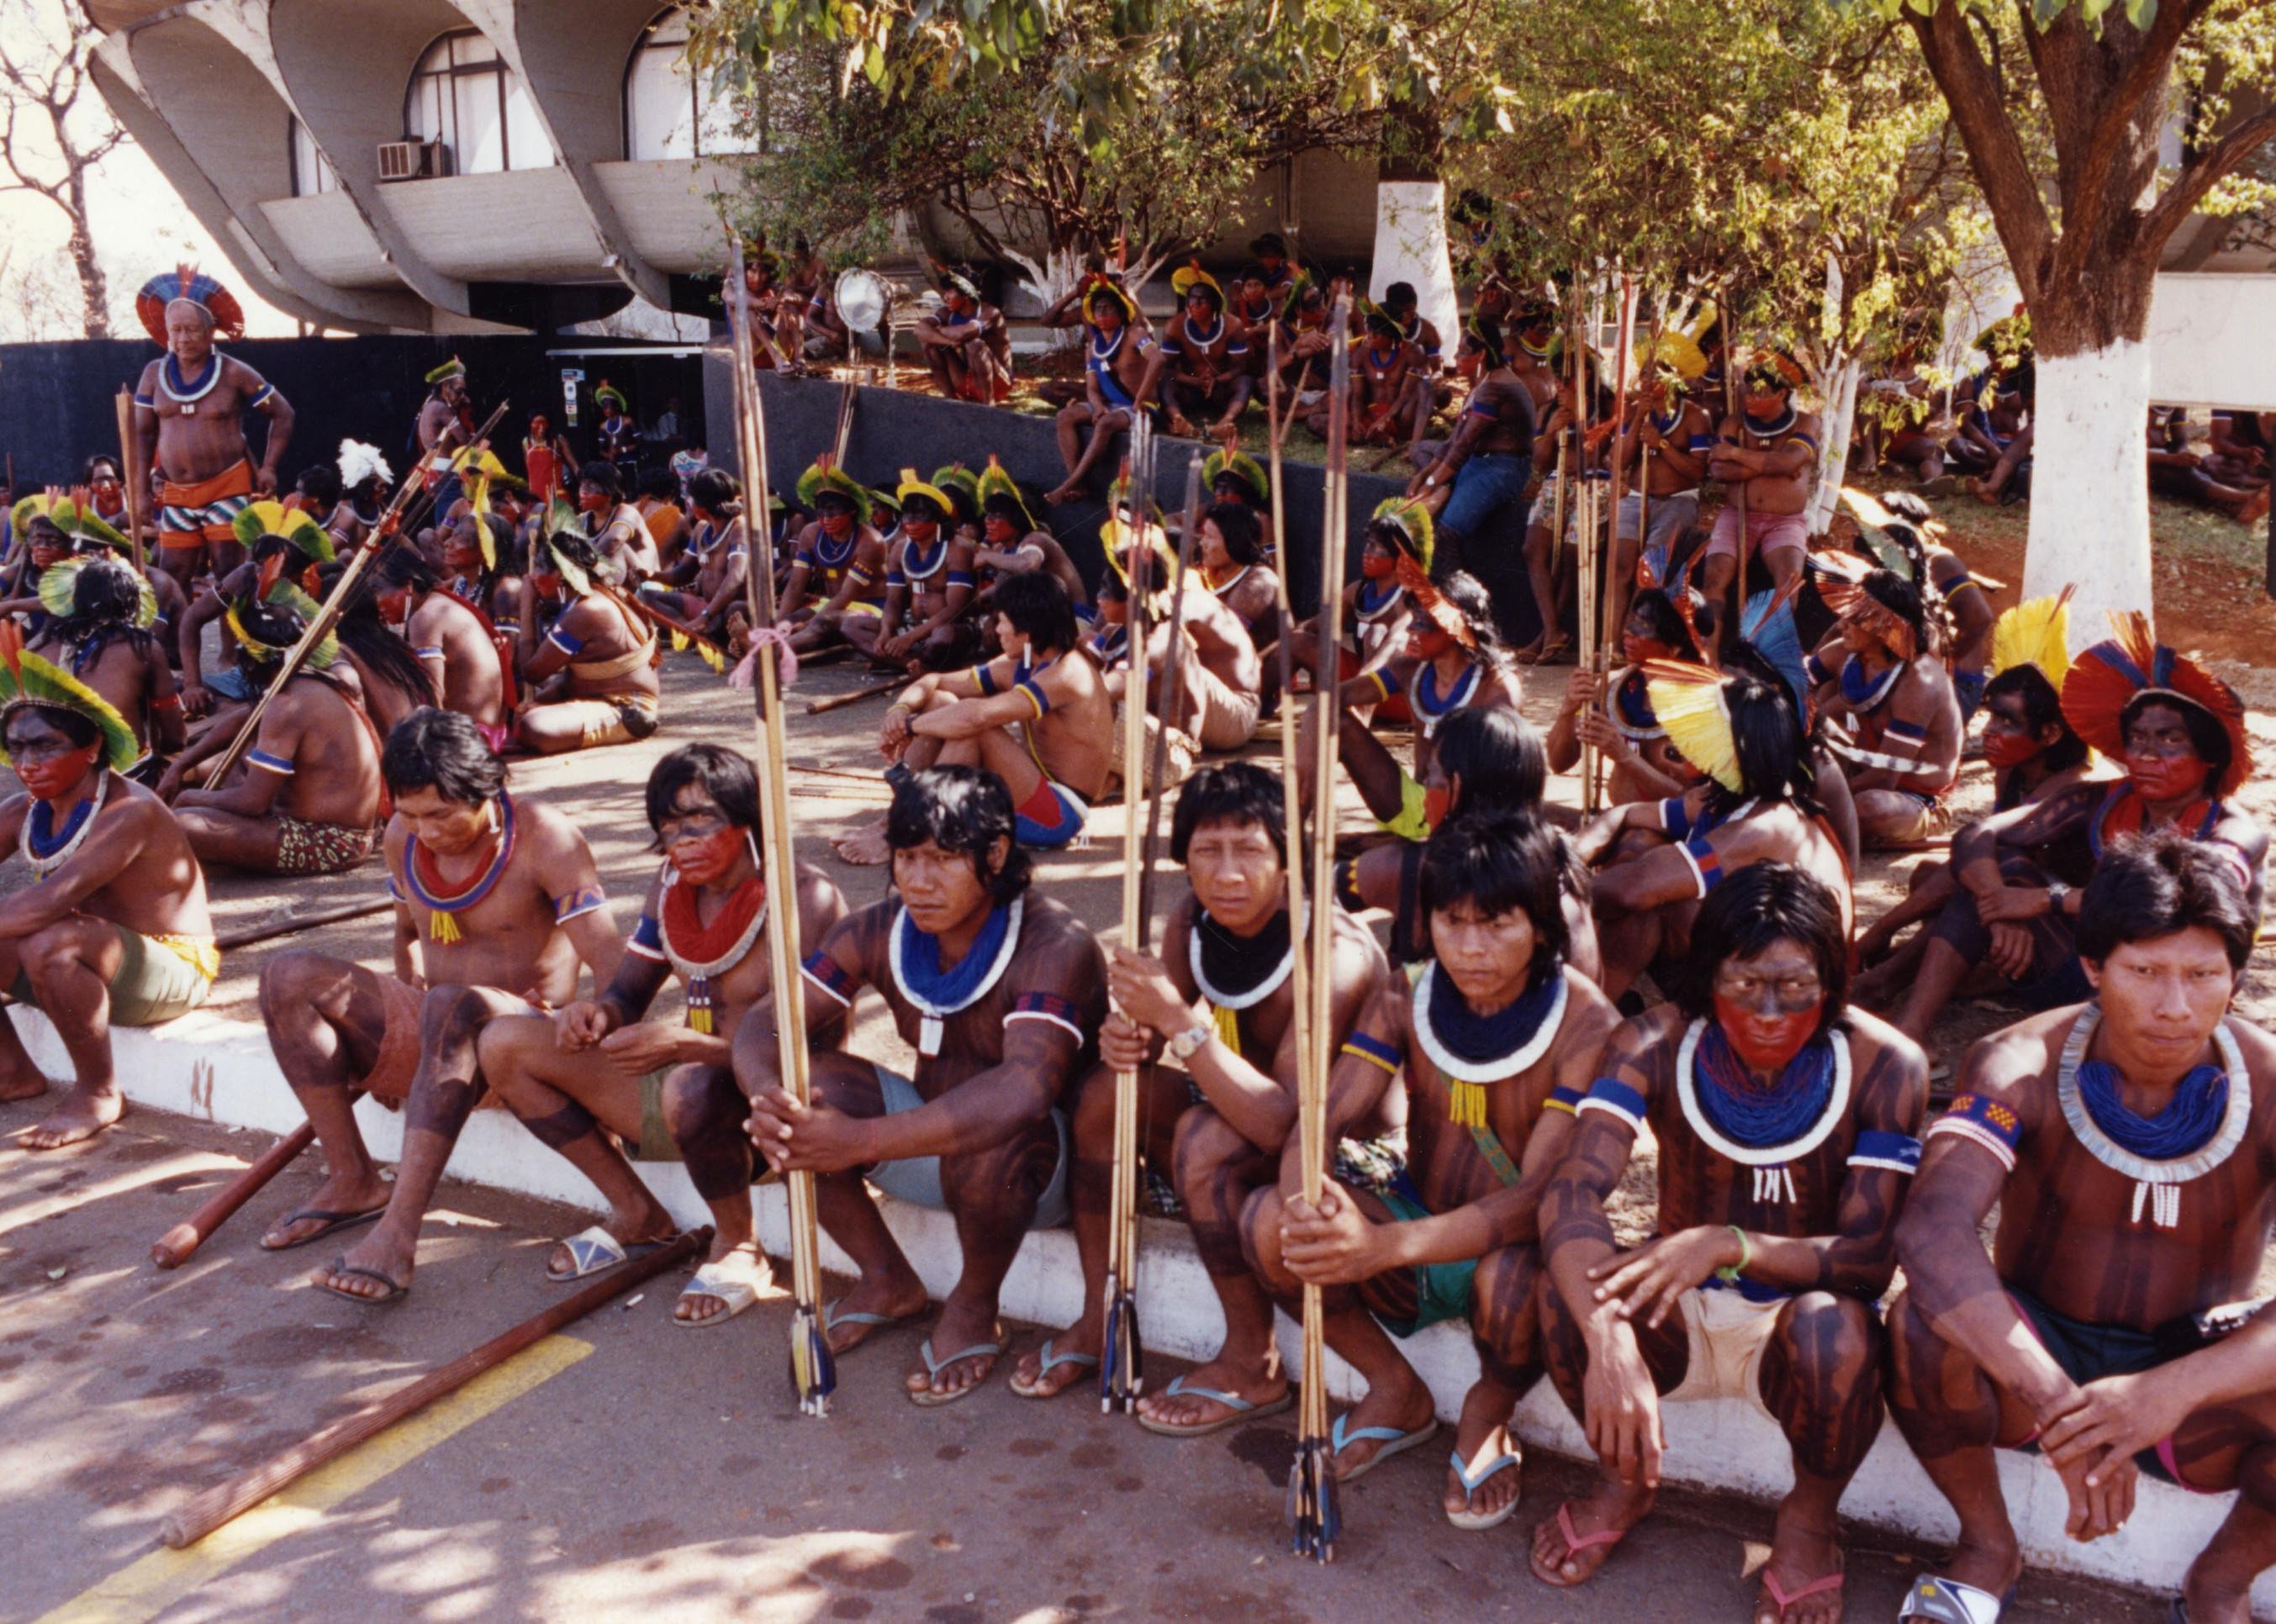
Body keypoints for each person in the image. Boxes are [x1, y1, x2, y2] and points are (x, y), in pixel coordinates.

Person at [1888, 834, 2276, 1624]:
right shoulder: (2015, 1064)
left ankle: (2220, 1586)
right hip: (2035, 1357)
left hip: (2195, 1370)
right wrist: (2061, 1404)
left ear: (2234, 976)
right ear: (2094, 968)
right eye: (2144, 972)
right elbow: (1932, 1231)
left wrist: (2169, 1390)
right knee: (1919, 1326)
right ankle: (1987, 1547)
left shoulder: (2268, 1087)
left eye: (2203, 975)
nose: (2175, 1006)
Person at [1534, 862, 1928, 1619]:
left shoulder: (1885, 1065)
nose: (1772, 1012)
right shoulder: (1650, 1042)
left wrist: (1728, 1244)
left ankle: (1809, 1521)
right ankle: (1623, 1481)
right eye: (1745, 984)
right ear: (1706, 976)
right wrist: (1609, 1341)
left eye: (1797, 984)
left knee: (1834, 1330)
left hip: (1793, 1325)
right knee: (1568, 1287)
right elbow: (1573, 1190)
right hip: (1674, 1308)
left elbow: (1869, 1259)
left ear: (1835, 977)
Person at [1265, 813, 1621, 1523]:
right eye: (1452, 923)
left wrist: (1383, 1247)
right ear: (1425, 924)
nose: (1471, 948)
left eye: (1496, 924)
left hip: (1507, 1252)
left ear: (1543, 928)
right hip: (1413, 1220)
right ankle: (1393, 1389)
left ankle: (1488, 1407)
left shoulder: (1586, 1023)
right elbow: (1327, 1114)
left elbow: (1535, 1199)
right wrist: (1304, 1202)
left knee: (1514, 1279)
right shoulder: (1406, 991)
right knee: (1272, 1225)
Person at [1008, 764, 1389, 1414]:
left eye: (1250, 851)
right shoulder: (1194, 919)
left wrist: (1177, 1024)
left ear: (1288, 860)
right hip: (1242, 1116)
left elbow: (1288, 1126)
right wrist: (1127, 1037)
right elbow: (1155, 1031)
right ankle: (1101, 1312)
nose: (1228, 874)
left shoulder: (1330, 953)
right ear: (1185, 861)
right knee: (1105, 1093)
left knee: (1203, 1137)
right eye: (1208, 852)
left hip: (1345, 1159)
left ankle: (1252, 1360)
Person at [738, 765, 1108, 1402]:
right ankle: (887, 1279)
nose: (917, 880)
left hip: (1034, 1170)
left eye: (941, 859)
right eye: (907, 857)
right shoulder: (877, 929)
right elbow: (764, 1024)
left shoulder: (1054, 943)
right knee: (808, 1087)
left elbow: (1021, 1093)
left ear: (994, 854)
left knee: (994, 1126)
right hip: (922, 1143)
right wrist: (765, 1099)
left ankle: (973, 1304)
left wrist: (858, 1140)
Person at [248, 710, 619, 1299]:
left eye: (443, 814)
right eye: (411, 814)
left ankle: (398, 1232)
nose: (427, 831)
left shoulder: (547, 837)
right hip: (442, 1034)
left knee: (451, 1004)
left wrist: (606, 1066)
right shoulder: (404, 839)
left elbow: (614, 965)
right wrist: (400, 1033)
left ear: (489, 789)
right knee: (286, 975)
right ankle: (352, 1181)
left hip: (522, 1046)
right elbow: (407, 938)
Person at [476, 744, 847, 1312]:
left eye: (701, 821)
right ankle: (636, 1211)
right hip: (690, 1098)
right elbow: (628, 992)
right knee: (505, 1043)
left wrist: (684, 1046)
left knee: (689, 1083)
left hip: (783, 1113)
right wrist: (597, 1016)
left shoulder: (805, 898)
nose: (683, 841)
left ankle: (738, 1243)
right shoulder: (672, 885)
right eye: (670, 826)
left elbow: (807, 1052)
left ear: (747, 821)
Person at [1873, 615, 2266, 1052]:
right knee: (2001, 867)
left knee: (2014, 880)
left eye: (2170, 741)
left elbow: (2179, 897)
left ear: (2209, 756)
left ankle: (1899, 986)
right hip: (2092, 968)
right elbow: (1977, 835)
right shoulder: (2108, 800)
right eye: (2137, 739)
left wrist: (2046, 899)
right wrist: (2002, 908)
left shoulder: (2234, 829)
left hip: (2176, 991)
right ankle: (1910, 1030)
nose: (2147, 754)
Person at [0, 635, 216, 1149]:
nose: (27, 762)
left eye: (46, 746)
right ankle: (12, 1072)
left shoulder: (129, 811)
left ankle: (98, 1092)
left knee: (50, 937)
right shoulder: (21, 810)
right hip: (92, 963)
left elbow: (50, 903)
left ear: (92, 746)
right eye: (17, 748)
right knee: (46, 936)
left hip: (172, 971)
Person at [1574, 647, 1853, 1002]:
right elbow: (1627, 815)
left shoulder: (1765, 826)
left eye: (1701, 734)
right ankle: (1599, 1002)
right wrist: (1571, 855)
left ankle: (1590, 1013)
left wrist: (1548, 890)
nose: (1684, 743)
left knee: (1651, 901)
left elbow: (1631, 890)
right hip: (1760, 956)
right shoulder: (1726, 794)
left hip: (1791, 991)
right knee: (1640, 843)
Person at [1855, 594, 2095, 992]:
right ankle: (1941, 963)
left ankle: (1886, 972)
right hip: (2005, 905)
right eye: (1990, 716)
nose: (1990, 732)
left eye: (2007, 721)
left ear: (2051, 733)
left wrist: (1882, 927)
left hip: (2059, 926)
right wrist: (2000, 911)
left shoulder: (2072, 786)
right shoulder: (2012, 772)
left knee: (1962, 881)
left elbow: (2001, 864)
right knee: (1928, 875)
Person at [830, 570, 1112, 866]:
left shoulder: (1067, 673)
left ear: (1026, 632)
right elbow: (934, 682)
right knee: (942, 703)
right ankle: (894, 821)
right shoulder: (1020, 664)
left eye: (1002, 621)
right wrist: (898, 713)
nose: (997, 630)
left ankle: (910, 832)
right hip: (1030, 791)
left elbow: (976, 717)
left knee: (975, 730)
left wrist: (911, 726)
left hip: (1057, 816)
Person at [167, 583, 388, 876]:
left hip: (332, 841)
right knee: (212, 772)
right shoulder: (308, 680)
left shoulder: (287, 705)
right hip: (343, 828)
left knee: (183, 822)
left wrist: (190, 798)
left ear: (250, 660)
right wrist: (182, 764)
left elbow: (252, 803)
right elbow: (245, 719)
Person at [1312, 568, 1521, 836]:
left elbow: (1501, 785)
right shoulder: (1410, 670)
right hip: (1415, 808)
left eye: (1421, 622)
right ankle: (1291, 825)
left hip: (1468, 825)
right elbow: (1337, 698)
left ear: (1453, 628)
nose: (1409, 629)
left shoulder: (1497, 689)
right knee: (1322, 708)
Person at [131, 267, 293, 590]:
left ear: (210, 331)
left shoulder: (234, 372)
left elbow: (283, 413)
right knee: (172, 575)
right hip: (176, 492)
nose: (183, 339)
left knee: (229, 572)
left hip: (227, 487)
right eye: (175, 330)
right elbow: (143, 435)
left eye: (192, 329)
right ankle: (172, 642)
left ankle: (232, 643)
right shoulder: (152, 374)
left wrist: (270, 467)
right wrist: (138, 493)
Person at [1808, 540, 1964, 849]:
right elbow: (1789, 689)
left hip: (1915, 798)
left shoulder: (1920, 682)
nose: (1843, 625)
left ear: (1883, 627)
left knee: (1870, 807)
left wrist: (1811, 795)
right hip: (1862, 772)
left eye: (1855, 619)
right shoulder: (1843, 653)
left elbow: (1884, 778)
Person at [1112, 516, 1264, 757]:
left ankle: (1179, 748)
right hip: (1216, 707)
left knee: (1169, 649)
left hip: (1238, 715)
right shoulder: (1161, 599)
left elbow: (1159, 643)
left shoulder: (1190, 600)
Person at [1546, 586, 1707, 809]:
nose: (1628, 632)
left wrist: (1623, 756)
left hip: (1673, 832)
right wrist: (1567, 710)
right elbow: (1558, 764)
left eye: (1644, 627)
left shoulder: (1707, 707)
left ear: (1676, 646)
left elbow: (1696, 806)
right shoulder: (1612, 687)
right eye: (1633, 622)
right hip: (1619, 819)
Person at [1700, 356, 1820, 651]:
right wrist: (1773, 466)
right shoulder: (1733, 423)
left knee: (1789, 581)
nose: (1749, 397)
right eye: (1748, 390)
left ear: (1781, 394)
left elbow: (1791, 461)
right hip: (1736, 514)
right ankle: (1710, 659)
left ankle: (1769, 657)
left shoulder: (1806, 422)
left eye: (1759, 392)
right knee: (1714, 577)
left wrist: (1736, 454)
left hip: (1785, 521)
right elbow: (1717, 471)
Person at [1407, 316, 1537, 588]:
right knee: (1420, 450)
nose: (1455, 357)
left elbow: (1464, 446)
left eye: (1462, 352)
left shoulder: (1497, 387)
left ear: (1480, 355)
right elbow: (1454, 442)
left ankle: (1462, 600)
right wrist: (1425, 478)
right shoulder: (1484, 383)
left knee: (1447, 533)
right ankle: (1448, 489)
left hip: (1503, 470)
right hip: (1479, 462)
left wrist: (1432, 483)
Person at [27, 553, 182, 778]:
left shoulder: (38, 645)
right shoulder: (141, 646)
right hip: (122, 775)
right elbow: (174, 736)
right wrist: (166, 756)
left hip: (47, 773)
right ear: (128, 601)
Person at [513, 521, 660, 755]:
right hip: (598, 697)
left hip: (627, 709)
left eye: (538, 567)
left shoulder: (588, 610)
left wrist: (526, 605)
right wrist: (538, 701)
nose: (531, 576)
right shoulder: (591, 596)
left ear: (560, 575)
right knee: (524, 713)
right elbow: (572, 678)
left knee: (533, 726)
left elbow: (532, 671)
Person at [375, 548, 511, 751]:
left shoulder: (425, 617)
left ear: (408, 586)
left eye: (379, 591)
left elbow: (433, 698)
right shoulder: (436, 603)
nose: (377, 603)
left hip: (469, 741)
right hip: (484, 733)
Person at [1609, 345, 1714, 604]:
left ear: (1673, 380)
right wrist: (1637, 421)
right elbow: (1619, 462)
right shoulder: (1633, 411)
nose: (1647, 382)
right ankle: (1611, 641)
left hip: (1678, 500)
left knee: (1649, 570)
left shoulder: (1695, 416)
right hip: (1635, 498)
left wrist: (1663, 445)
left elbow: (1698, 471)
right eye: (1644, 375)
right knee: (1619, 567)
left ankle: (1636, 634)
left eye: (1655, 376)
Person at [848, 471, 980, 672]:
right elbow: (893, 601)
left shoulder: (957, 549)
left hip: (950, 629)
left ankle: (898, 661)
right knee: (850, 626)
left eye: (919, 516)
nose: (910, 522)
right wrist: (886, 632)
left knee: (942, 637)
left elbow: (955, 609)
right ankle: (912, 664)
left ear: (938, 518)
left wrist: (910, 638)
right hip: (911, 626)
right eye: (907, 515)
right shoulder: (899, 548)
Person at [1048, 282, 1165, 506]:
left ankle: (1067, 486)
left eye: (1108, 308)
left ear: (1121, 313)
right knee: (1065, 416)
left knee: (1105, 424)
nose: (1101, 313)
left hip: (1141, 408)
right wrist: (1097, 405)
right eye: (1098, 309)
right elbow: (1092, 387)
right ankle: (1078, 483)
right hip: (1109, 404)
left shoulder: (1135, 334)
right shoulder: (1093, 348)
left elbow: (1158, 359)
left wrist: (1140, 399)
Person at [779, 457, 889, 651]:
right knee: (790, 620)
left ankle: (769, 654)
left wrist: (807, 625)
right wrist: (778, 625)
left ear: (852, 511)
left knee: (823, 624)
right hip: (830, 603)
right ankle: (767, 643)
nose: (825, 519)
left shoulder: (870, 541)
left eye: (833, 512)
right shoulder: (810, 533)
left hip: (869, 609)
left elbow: (847, 595)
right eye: (821, 513)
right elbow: (796, 584)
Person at [636, 467, 747, 647]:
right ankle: (691, 633)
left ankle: (702, 631)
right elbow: (682, 575)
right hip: (706, 608)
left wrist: (705, 616)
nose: (689, 503)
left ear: (705, 503)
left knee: (736, 610)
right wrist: (649, 574)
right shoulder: (701, 528)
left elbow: (735, 579)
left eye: (692, 498)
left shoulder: (739, 528)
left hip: (730, 609)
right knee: (647, 597)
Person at [969, 458, 1090, 621]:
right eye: (988, 514)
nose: (988, 521)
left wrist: (987, 556)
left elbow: (1027, 565)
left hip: (1071, 620)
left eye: (997, 514)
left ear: (1017, 517)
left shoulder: (1037, 539)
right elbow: (1001, 590)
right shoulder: (1002, 549)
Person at [1157, 266, 1252, 439]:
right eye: (1192, 300)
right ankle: (1178, 420)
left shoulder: (1233, 326)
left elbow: (1240, 369)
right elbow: (1166, 370)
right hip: (1189, 390)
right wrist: (1193, 381)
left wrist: (1217, 380)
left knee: (1245, 382)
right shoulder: (1174, 327)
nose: (1196, 305)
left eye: (1203, 300)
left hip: (1220, 390)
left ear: (1215, 303)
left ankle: (1225, 422)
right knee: (1165, 382)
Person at [1323, 304, 1423, 446]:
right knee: (1315, 422)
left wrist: (1387, 417)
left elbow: (1406, 395)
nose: (1370, 336)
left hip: (1399, 416)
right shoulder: (1361, 354)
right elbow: (1357, 395)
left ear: (1392, 334)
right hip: (1371, 414)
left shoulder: (1412, 352)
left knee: (1418, 394)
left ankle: (1387, 436)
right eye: (1369, 330)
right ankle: (1376, 438)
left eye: (1377, 333)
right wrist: (1357, 420)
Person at [1193, 500, 1281, 651]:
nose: (1202, 543)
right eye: (1203, 535)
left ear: (1234, 542)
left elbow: (1218, 642)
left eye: (1209, 537)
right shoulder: (1226, 574)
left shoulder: (1256, 586)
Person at [916, 272, 1012, 404]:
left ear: (966, 294)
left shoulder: (989, 312)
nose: (945, 297)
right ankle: (951, 402)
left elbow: (964, 333)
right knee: (929, 345)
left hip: (998, 383)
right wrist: (948, 341)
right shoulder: (947, 313)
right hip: (967, 381)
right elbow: (919, 329)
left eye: (950, 292)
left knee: (974, 344)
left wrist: (939, 331)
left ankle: (989, 407)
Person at [573, 460, 657, 581]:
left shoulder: (627, 512)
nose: (584, 492)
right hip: (613, 585)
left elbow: (614, 541)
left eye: (591, 487)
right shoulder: (583, 519)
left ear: (611, 492)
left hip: (646, 584)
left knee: (618, 547)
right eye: (583, 485)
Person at [415, 356, 475, 517]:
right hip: (447, 472)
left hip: (441, 471)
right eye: (458, 391)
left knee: (446, 518)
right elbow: (465, 441)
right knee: (450, 520)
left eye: (464, 392)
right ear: (445, 387)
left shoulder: (432, 405)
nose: (461, 396)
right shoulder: (441, 408)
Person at [521, 411, 578, 505]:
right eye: (537, 423)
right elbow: (530, 471)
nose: (541, 427)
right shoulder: (526, 443)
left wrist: (583, 480)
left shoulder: (557, 440)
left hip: (556, 495)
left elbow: (573, 464)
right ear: (531, 424)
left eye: (544, 423)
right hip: (536, 497)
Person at [593, 383, 641, 467]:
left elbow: (640, 443)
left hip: (630, 462)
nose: (605, 409)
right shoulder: (603, 427)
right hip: (613, 465)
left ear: (616, 406)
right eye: (603, 406)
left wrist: (623, 450)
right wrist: (608, 455)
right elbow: (600, 450)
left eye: (608, 405)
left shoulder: (628, 421)